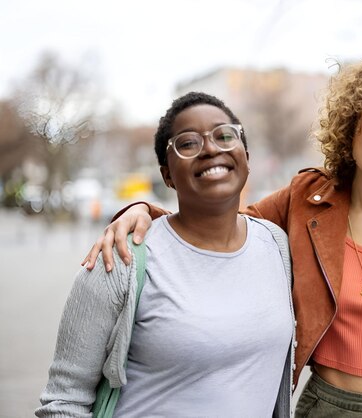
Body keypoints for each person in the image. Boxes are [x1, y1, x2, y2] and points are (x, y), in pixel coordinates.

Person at [84, 51, 362, 417]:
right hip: (323, 407)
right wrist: (145, 211)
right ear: (354, 123)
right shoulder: (305, 200)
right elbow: (220, 227)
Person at [37, 92, 295, 417]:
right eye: (188, 143)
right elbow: (64, 401)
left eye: (224, 135)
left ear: (246, 154)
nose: (211, 148)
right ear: (167, 174)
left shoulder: (276, 245)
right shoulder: (119, 259)